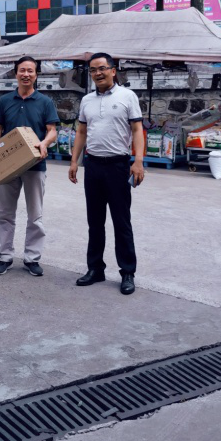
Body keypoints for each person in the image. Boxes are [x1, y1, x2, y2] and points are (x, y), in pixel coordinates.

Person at [68, 52, 145, 295]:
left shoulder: (127, 96)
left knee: (121, 221)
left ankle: (127, 272)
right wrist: (74, 161)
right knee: (95, 221)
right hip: (93, 166)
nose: (97, 73)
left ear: (113, 70)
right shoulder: (86, 100)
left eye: (102, 68)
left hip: (118, 166)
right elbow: (81, 132)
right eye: (93, 70)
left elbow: (137, 129)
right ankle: (95, 269)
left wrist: (138, 161)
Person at [0, 56, 59, 277]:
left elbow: (52, 130)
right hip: (8, 164)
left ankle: (32, 258)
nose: (26, 74)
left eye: (30, 71)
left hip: (35, 165)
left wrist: (44, 143)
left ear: (36, 74)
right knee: (5, 213)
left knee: (35, 215)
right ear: (16, 73)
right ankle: (4, 256)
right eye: (22, 70)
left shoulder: (45, 102)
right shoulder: (5, 100)